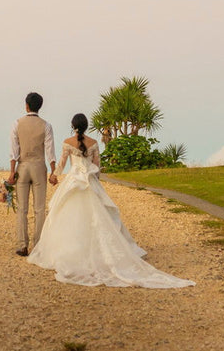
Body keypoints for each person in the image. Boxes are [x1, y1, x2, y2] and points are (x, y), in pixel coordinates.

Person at [27, 113, 194, 288]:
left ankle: (71, 252)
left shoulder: (68, 143)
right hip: (89, 182)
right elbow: (97, 168)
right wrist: (93, 180)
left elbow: (62, 164)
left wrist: (54, 176)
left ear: (73, 125)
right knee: (98, 218)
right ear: (86, 125)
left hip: (74, 182)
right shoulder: (93, 143)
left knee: (69, 218)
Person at [9, 92, 57, 256]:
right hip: (38, 166)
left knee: (22, 208)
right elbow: (50, 150)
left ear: (26, 105)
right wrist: (53, 171)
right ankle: (38, 246)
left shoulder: (17, 123)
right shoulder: (46, 125)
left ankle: (23, 245)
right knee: (39, 209)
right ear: (40, 106)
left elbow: (14, 150)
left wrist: (11, 171)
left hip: (22, 167)